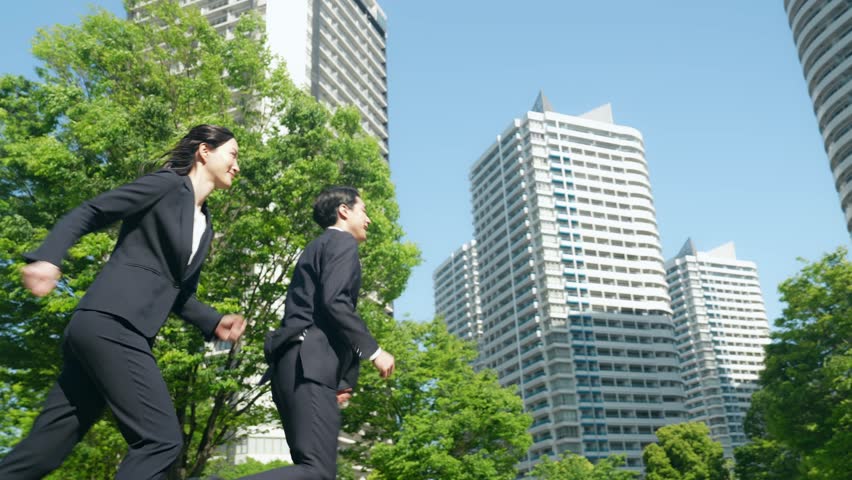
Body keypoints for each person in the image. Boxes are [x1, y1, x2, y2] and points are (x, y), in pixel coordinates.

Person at [0, 124, 248, 480]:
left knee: (44, 449)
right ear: (204, 152)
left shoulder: (205, 223)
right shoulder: (166, 185)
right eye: (233, 155)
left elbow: (176, 291)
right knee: (160, 440)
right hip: (112, 323)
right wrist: (49, 256)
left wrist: (213, 320)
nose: (237, 166)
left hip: (112, 331)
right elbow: (94, 210)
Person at [244, 186, 395, 480]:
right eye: (364, 211)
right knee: (317, 472)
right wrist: (375, 352)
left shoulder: (317, 247)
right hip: (307, 366)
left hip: (291, 367)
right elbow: (335, 303)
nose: (368, 220)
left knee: (311, 470)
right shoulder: (342, 242)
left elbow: (323, 314)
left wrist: (343, 381)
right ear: (344, 211)